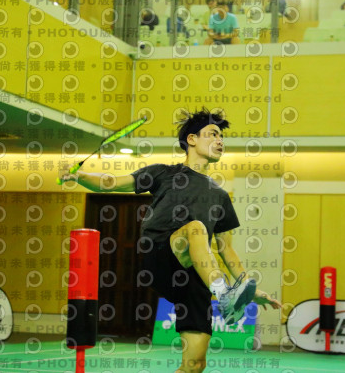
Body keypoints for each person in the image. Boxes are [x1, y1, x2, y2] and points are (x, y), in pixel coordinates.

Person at [60, 108, 281, 373]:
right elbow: (111, 183)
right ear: (191, 139)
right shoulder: (163, 173)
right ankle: (224, 294)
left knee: (194, 366)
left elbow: (226, 249)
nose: (220, 140)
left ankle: (224, 294)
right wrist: (81, 176)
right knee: (196, 228)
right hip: (161, 253)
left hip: (196, 275)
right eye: (213, 134)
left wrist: (249, 287)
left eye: (221, 136)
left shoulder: (220, 197)